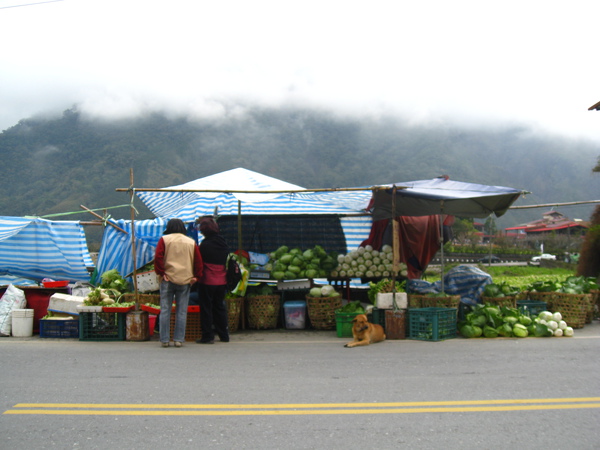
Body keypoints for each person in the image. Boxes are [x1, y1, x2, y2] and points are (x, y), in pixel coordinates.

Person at [154, 218, 203, 348]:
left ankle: (165, 340)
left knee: (165, 310)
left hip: (168, 278)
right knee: (181, 311)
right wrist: (196, 277)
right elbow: (198, 261)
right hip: (185, 280)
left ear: (169, 227)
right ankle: (178, 340)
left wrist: (161, 272)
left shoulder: (164, 240)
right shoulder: (191, 242)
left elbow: (158, 257)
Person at [195, 216, 230, 344]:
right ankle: (224, 335)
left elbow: (199, 263)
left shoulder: (205, 245)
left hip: (207, 280)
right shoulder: (223, 243)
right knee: (219, 307)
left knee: (206, 308)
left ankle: (208, 336)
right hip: (222, 281)